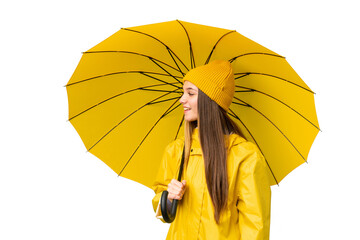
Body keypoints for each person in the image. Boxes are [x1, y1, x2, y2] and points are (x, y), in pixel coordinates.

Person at [151, 60, 271, 240]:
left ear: (210, 100)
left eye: (190, 93)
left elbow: (255, 227)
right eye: (183, 92)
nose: (182, 99)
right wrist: (168, 198)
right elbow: (161, 211)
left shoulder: (245, 157)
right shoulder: (176, 150)